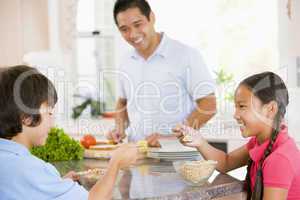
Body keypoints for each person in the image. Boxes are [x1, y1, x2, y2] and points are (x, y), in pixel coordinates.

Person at [0, 65, 139, 200]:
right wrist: (115, 163)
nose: (52, 120)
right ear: (27, 117)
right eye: (49, 112)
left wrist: (56, 186)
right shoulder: (30, 169)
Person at [174, 72, 300, 200]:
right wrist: (199, 141)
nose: (235, 115)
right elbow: (226, 162)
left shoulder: (279, 159)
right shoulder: (260, 142)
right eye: (236, 107)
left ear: (270, 109)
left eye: (242, 106)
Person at [107, 0, 217, 145]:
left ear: (151, 17)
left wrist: (173, 137)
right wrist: (119, 128)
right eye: (124, 29)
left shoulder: (186, 55)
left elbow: (209, 104)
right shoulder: (125, 61)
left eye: (138, 24)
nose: (133, 34)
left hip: (179, 157)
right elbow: (123, 102)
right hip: (137, 156)